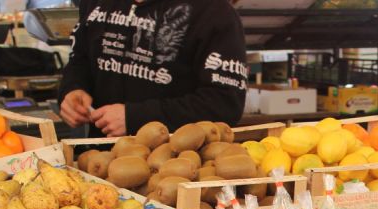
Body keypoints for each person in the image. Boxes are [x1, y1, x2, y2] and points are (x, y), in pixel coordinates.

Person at [59, 0, 247, 136]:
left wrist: (135, 118)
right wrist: (73, 88)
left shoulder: (214, 13)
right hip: (97, 165)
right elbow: (80, 59)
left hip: (175, 170)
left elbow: (225, 104)